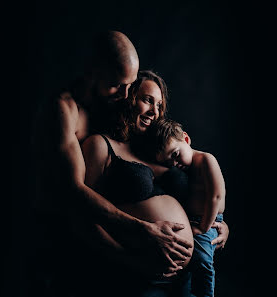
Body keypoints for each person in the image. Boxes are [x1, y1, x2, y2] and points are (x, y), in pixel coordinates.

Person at [33, 31, 207, 296]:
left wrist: (212, 221)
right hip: (60, 242)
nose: (127, 94)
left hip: (174, 278)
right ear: (94, 71)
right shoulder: (66, 110)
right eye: (118, 84)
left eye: (131, 85)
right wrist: (145, 232)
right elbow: (74, 194)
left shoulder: (118, 109)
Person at [79, 70, 228, 296]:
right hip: (138, 278)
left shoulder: (163, 152)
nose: (155, 111)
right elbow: (87, 219)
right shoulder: (100, 145)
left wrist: (218, 224)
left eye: (159, 105)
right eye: (148, 100)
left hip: (185, 279)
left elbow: (201, 196)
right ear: (128, 97)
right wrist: (134, 262)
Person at [143, 118, 226, 297]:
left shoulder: (206, 160)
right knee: (189, 268)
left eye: (175, 155)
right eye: (168, 162)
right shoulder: (185, 170)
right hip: (193, 221)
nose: (174, 163)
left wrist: (203, 226)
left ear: (186, 139)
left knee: (203, 262)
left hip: (208, 222)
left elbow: (216, 196)